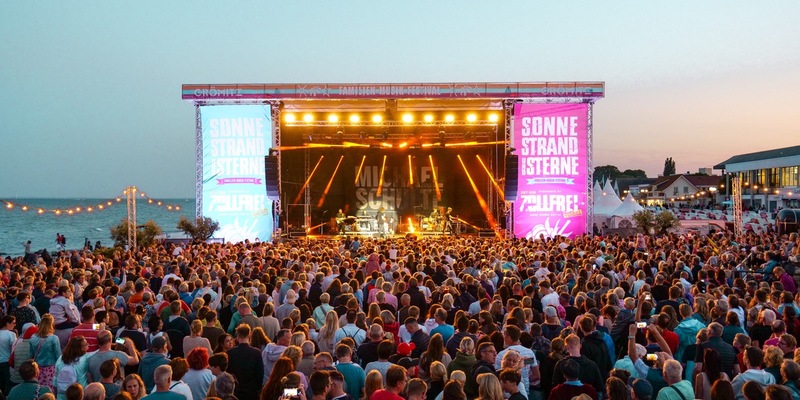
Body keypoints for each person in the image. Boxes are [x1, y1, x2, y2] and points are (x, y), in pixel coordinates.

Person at [226, 324, 263, 400]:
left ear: (237, 336)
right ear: (250, 334)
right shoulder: (256, 352)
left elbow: (228, 372)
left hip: (236, 391)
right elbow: (260, 374)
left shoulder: (230, 353)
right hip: (251, 390)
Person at [30, 314, 61, 392]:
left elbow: (30, 355)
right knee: (49, 391)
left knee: (38, 390)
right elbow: (58, 356)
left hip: (37, 369)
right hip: (51, 369)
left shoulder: (33, 337)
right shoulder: (54, 338)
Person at [0, 315, 17, 394]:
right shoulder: (11, 334)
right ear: (7, 323)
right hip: (7, 362)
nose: (15, 325)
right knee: (8, 384)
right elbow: (14, 349)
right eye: (13, 323)